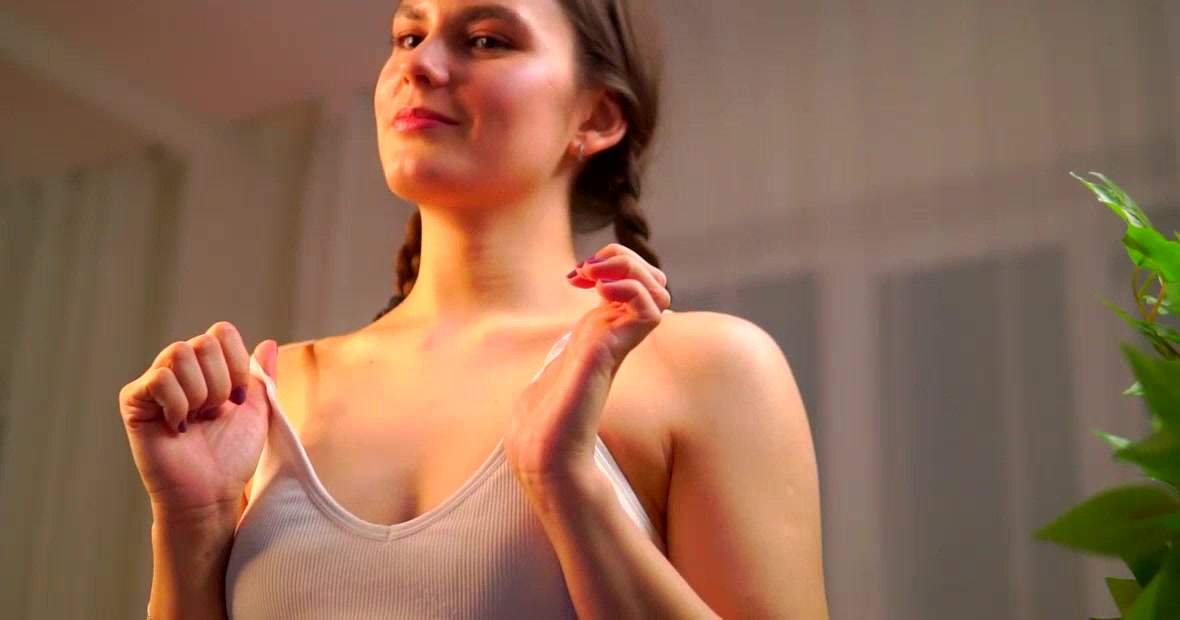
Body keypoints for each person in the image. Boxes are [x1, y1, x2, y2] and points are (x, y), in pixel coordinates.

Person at [118, 0, 828, 617]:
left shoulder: (706, 368)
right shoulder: (267, 398)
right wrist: (191, 522)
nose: (418, 64)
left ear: (597, 115)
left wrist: (567, 483)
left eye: (487, 39)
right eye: (408, 35)